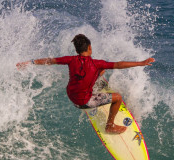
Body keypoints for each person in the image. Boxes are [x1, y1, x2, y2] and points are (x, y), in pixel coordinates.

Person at [17, 34, 154, 134]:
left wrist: (30, 62)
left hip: (71, 95)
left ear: (77, 50)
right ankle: (110, 126)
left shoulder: (70, 60)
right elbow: (118, 64)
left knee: (100, 72)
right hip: (83, 102)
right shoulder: (96, 63)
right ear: (89, 47)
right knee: (117, 97)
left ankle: (92, 90)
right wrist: (141, 63)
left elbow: (49, 61)